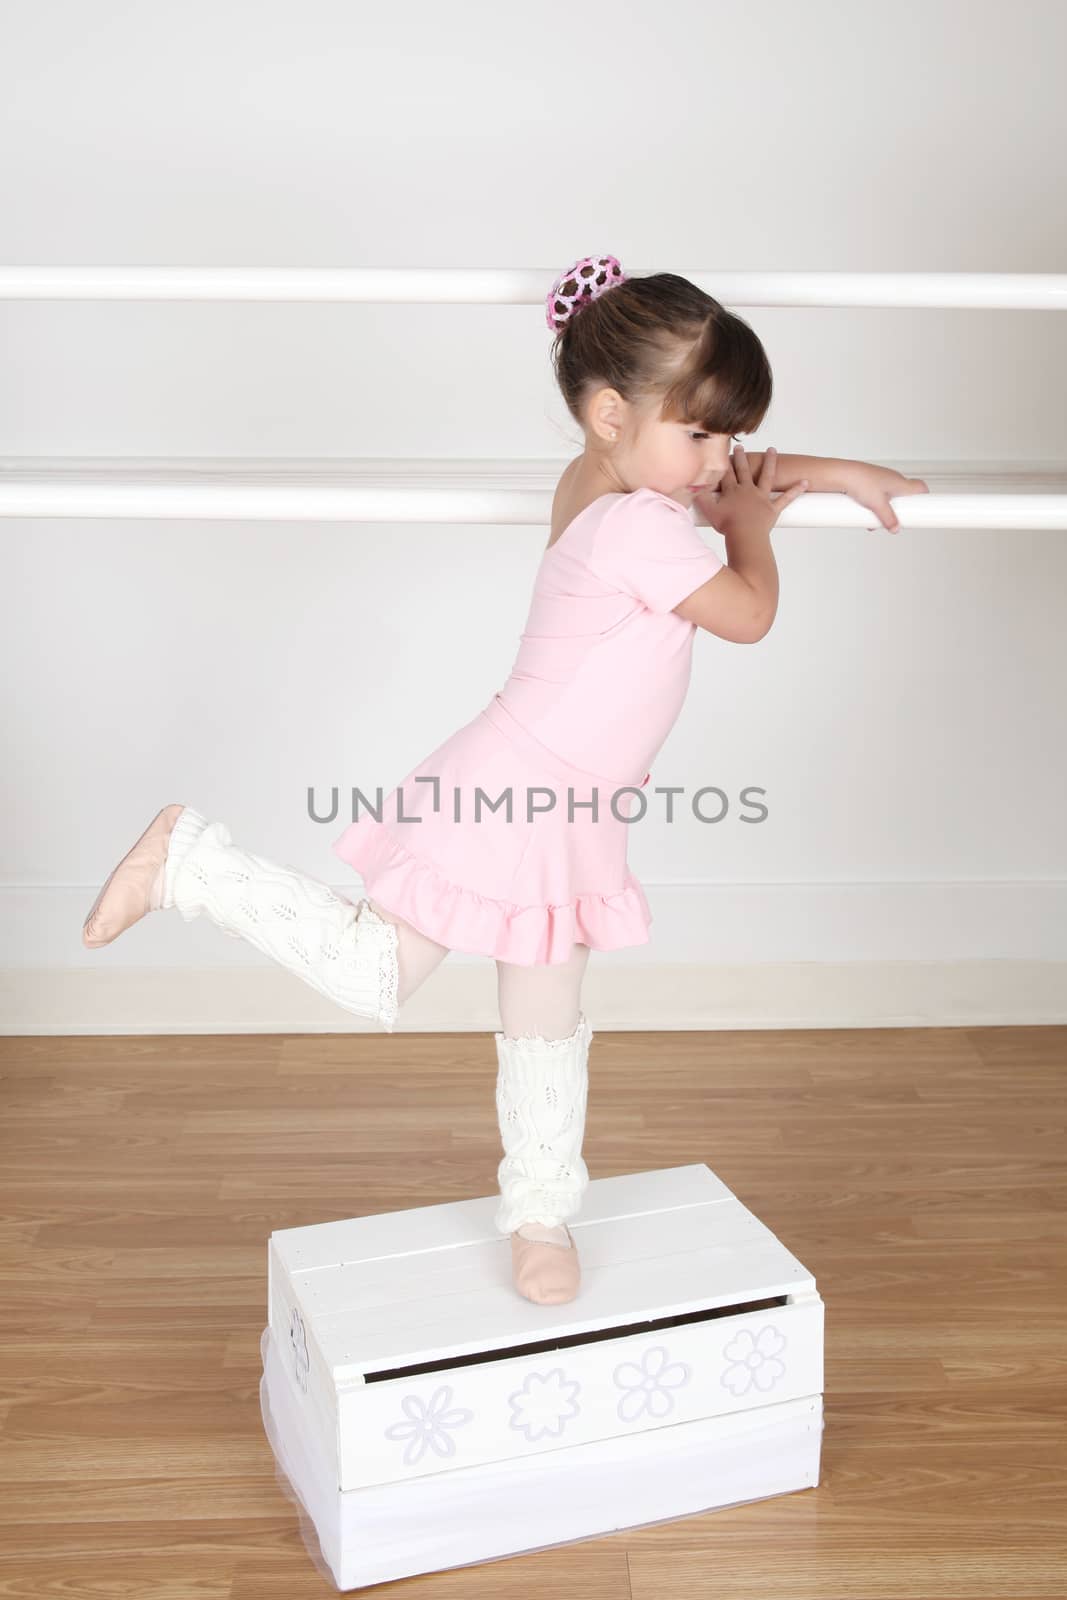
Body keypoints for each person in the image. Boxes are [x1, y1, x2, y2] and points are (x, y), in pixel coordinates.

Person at [81, 254, 928, 1308]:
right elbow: (748, 614)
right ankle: (191, 864)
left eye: (732, 435)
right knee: (376, 972)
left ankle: (541, 1214)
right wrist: (754, 530)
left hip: (562, 804)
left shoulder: (605, 476)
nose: (727, 459)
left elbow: (719, 478)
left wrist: (843, 473)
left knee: (546, 1014)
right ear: (613, 413)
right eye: (704, 433)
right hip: (514, 789)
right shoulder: (634, 526)